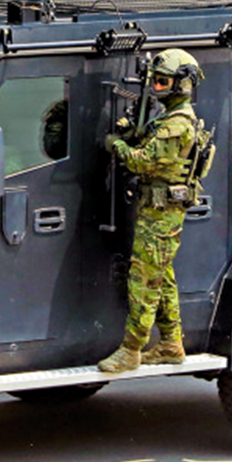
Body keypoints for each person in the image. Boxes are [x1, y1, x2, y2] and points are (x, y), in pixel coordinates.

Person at [98, 49, 205, 371]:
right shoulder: (167, 118)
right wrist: (131, 131)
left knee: (144, 280)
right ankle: (171, 343)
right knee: (162, 277)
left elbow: (143, 161)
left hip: (162, 214)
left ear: (180, 86)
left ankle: (131, 350)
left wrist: (116, 145)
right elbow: (145, 137)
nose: (156, 88)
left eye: (162, 83)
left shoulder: (177, 125)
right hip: (155, 209)